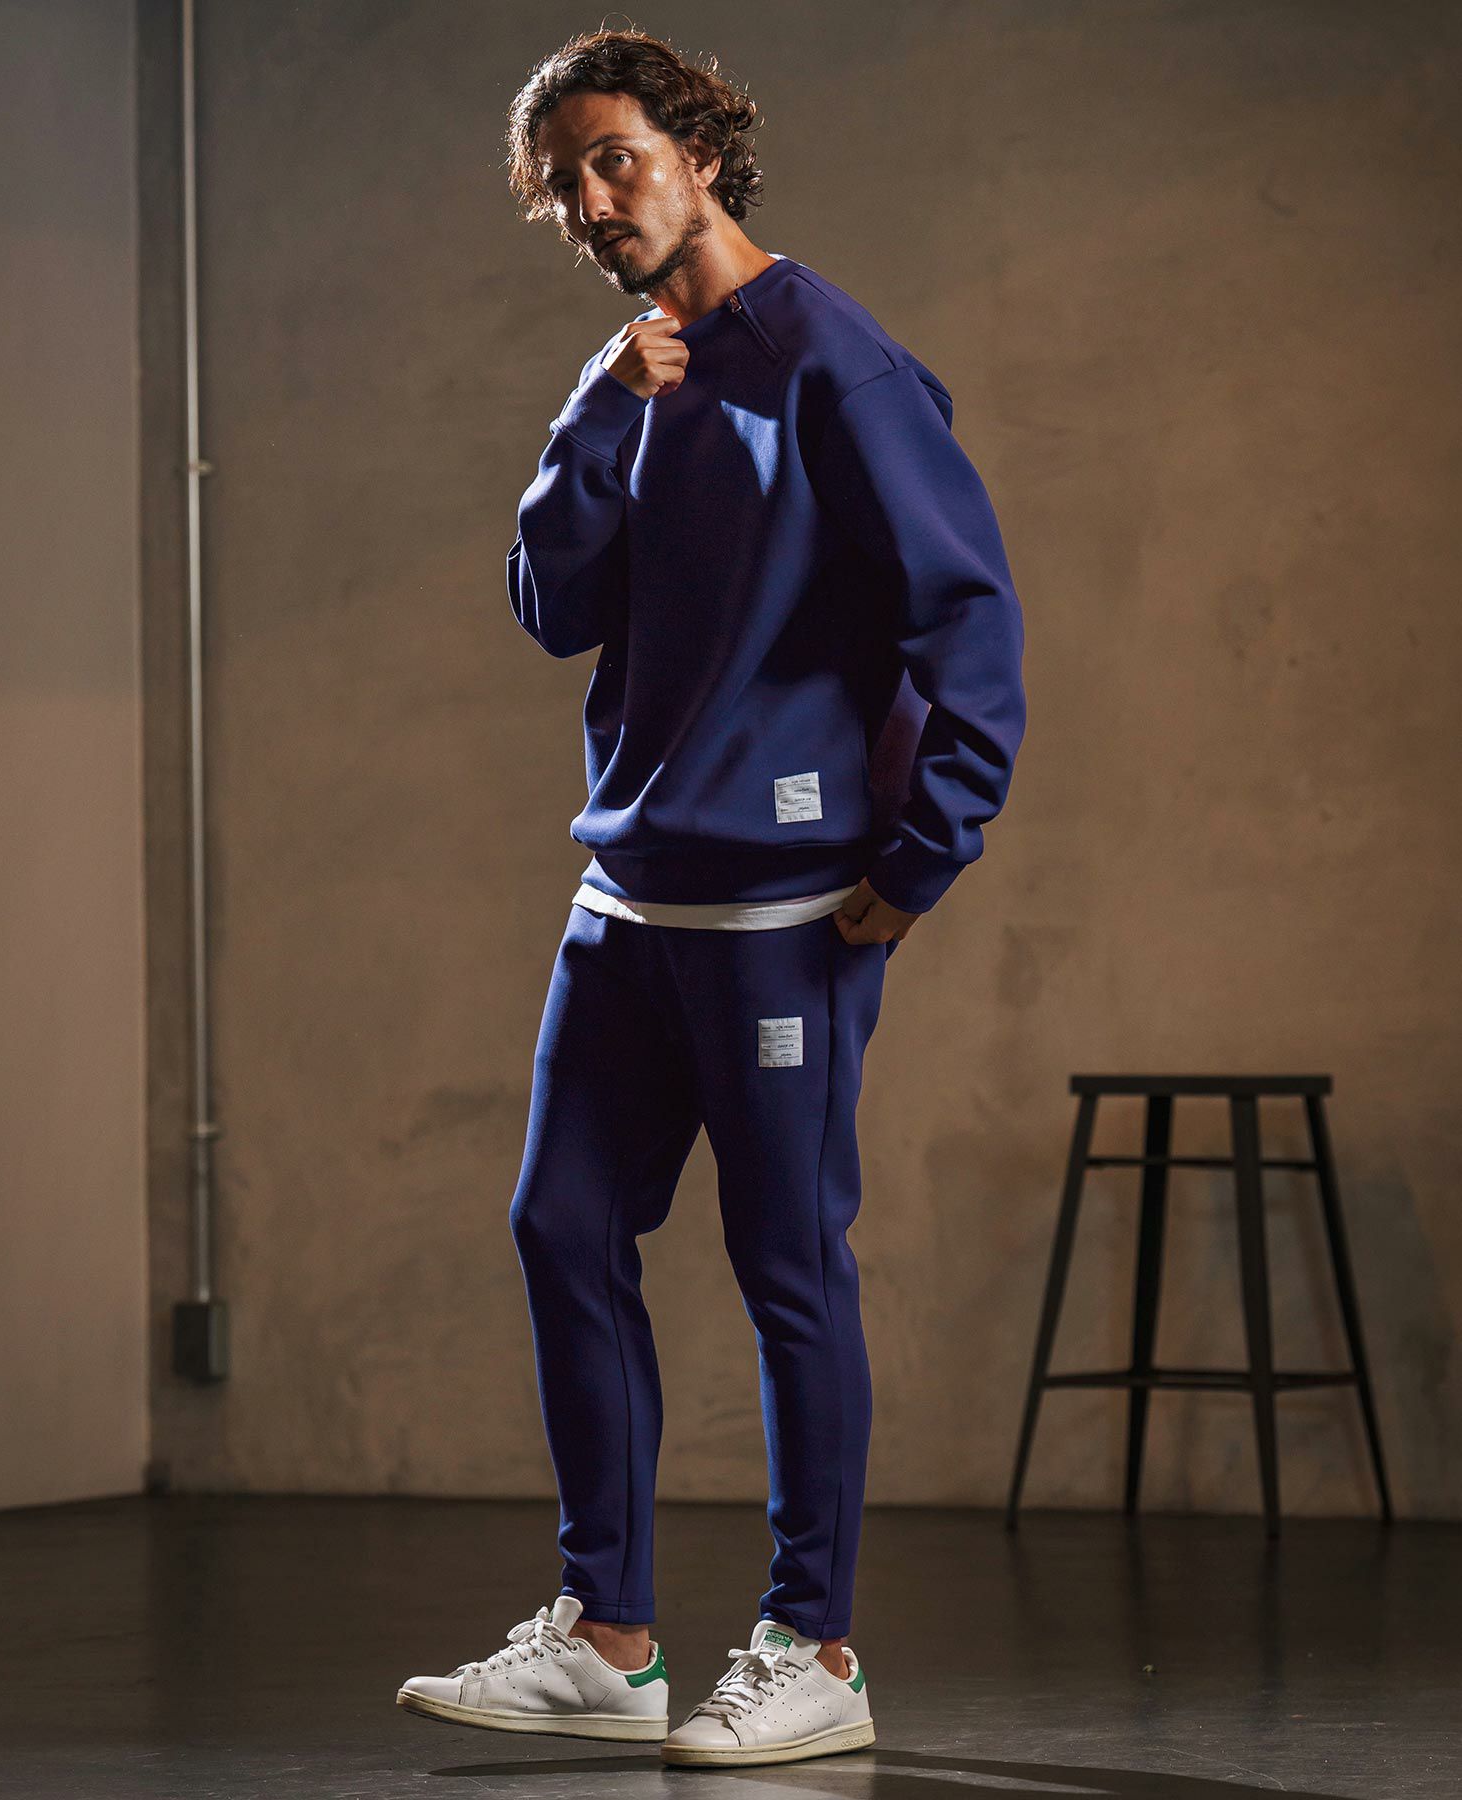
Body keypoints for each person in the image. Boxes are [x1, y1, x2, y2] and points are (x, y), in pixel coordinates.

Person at [397, 27, 1026, 1768]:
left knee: (785, 1267)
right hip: (631, 893)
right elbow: (551, 607)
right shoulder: (633, 380)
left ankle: (817, 1650)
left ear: (695, 146)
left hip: (779, 912)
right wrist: (595, 416)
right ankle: (609, 1638)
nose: (594, 204)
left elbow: (969, 621)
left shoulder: (836, 363)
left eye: (616, 158)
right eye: (564, 186)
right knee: (563, 1228)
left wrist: (920, 856)